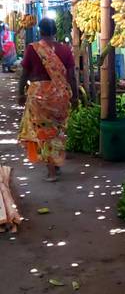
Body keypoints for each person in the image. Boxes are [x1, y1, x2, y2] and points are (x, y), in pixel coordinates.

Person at [18, 18, 78, 182]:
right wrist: (75, 97)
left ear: (40, 31)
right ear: (55, 32)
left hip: (39, 98)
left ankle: (51, 171)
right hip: (59, 96)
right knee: (57, 132)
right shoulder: (65, 50)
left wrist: (20, 94)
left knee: (44, 134)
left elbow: (24, 74)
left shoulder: (33, 49)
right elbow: (71, 76)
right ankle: (56, 163)